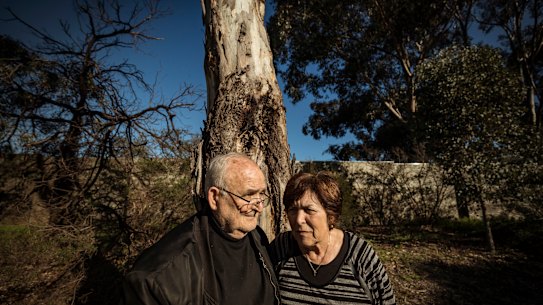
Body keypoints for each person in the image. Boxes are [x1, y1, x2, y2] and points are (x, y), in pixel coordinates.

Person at [120, 152, 281, 305]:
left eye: (261, 195)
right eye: (248, 196)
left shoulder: (258, 237)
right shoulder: (159, 277)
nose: (259, 207)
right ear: (215, 197)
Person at [269, 171, 396, 305]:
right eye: (293, 210)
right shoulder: (282, 247)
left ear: (331, 216)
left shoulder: (359, 255)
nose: (299, 219)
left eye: (309, 210)